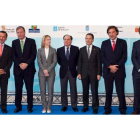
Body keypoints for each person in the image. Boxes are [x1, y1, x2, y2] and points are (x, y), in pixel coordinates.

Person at [101, 26, 127, 115]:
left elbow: (124, 56)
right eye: (109, 32)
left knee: (120, 91)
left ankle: (123, 110)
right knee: (108, 92)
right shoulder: (104, 43)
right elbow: (102, 57)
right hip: (107, 71)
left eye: (113, 32)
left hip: (119, 71)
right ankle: (107, 109)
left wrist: (116, 66)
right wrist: (110, 66)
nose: (111, 34)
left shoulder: (123, 42)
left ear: (116, 32)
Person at [12, 26, 37, 113]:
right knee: (18, 89)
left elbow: (33, 55)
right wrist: (19, 64)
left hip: (29, 69)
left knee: (29, 89)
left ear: (24, 32)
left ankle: (29, 106)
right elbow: (13, 55)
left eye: (21, 32)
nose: (19, 34)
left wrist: (26, 64)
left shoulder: (32, 41)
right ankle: (18, 106)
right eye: (18, 32)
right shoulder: (14, 42)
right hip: (18, 70)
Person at [78, 33, 102, 114]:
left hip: (94, 74)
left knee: (94, 91)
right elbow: (79, 62)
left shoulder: (97, 49)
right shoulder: (81, 49)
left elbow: (99, 62)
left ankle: (95, 108)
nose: (88, 40)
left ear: (93, 39)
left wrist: (99, 73)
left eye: (90, 38)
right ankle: (85, 106)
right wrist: (79, 73)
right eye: (86, 38)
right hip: (84, 73)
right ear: (85, 39)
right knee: (85, 91)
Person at [57, 35, 79, 112]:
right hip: (63, 72)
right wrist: (65, 66)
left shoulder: (76, 49)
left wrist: (71, 66)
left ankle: (74, 105)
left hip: (72, 72)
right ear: (63, 40)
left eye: (68, 39)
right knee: (63, 89)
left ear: (71, 41)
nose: (66, 41)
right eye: (65, 39)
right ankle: (64, 105)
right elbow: (59, 61)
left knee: (73, 89)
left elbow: (77, 61)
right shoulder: (59, 50)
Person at [38, 35, 57, 113]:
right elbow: (39, 61)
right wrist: (44, 70)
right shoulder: (40, 50)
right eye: (47, 40)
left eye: (50, 39)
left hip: (51, 73)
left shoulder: (53, 50)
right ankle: (44, 107)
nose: (49, 41)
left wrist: (48, 70)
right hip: (42, 73)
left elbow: (54, 61)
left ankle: (49, 107)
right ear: (44, 41)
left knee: (50, 90)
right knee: (43, 91)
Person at [0, 31, 12, 113]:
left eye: (3, 37)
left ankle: (3, 107)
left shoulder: (9, 48)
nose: (1, 38)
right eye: (0, 36)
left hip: (4, 73)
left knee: (4, 91)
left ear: (6, 38)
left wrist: (3, 70)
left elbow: (10, 61)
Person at [131, 29, 140, 114]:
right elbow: (133, 58)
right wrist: (139, 68)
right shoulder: (136, 44)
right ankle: (136, 109)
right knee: (137, 92)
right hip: (137, 72)